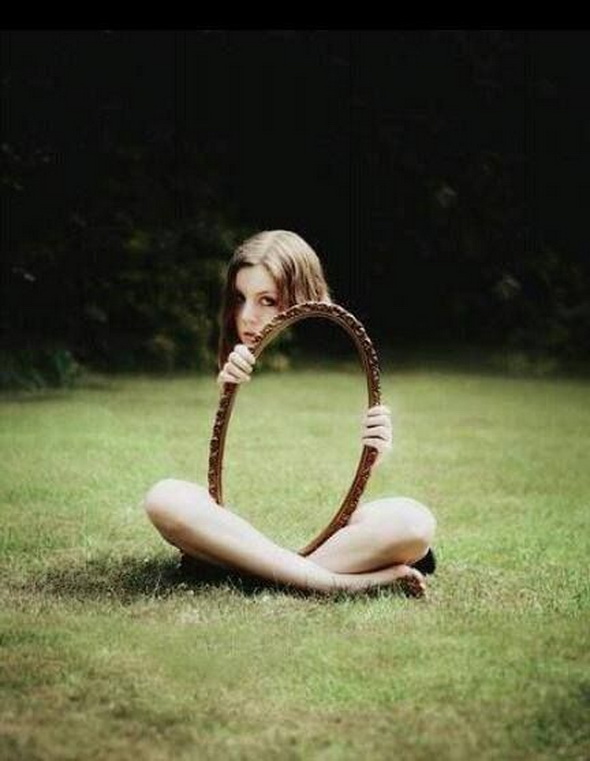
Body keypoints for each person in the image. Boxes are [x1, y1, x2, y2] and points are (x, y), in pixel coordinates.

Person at [144, 230, 436, 597]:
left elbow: (332, 501)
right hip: (250, 534)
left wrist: (370, 458)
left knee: (414, 523)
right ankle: (334, 583)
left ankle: (249, 571)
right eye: (239, 298)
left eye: (267, 300)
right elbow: (229, 491)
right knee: (164, 497)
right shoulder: (235, 371)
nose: (247, 316)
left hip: (322, 538)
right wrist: (228, 399)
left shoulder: (341, 365)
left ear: (303, 298)